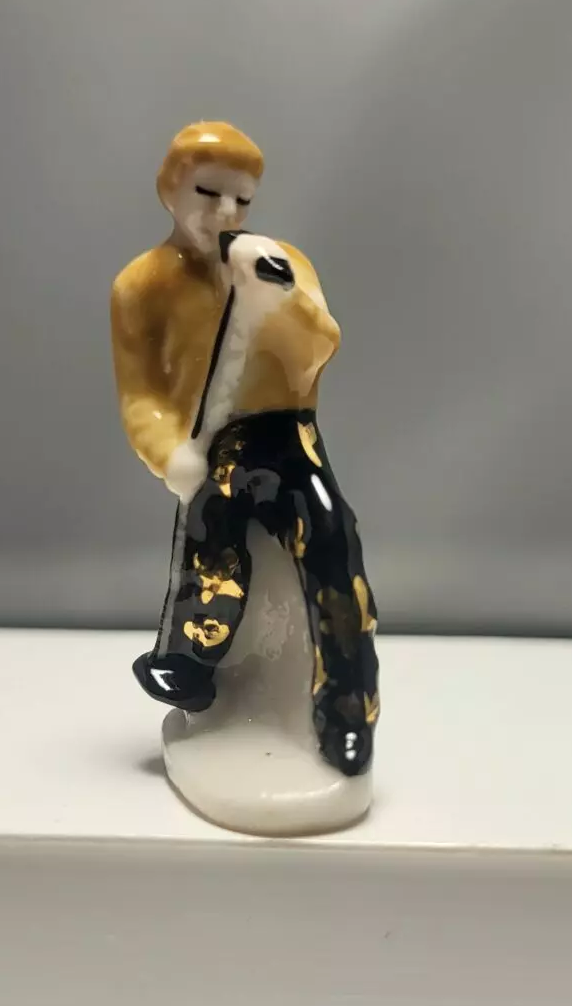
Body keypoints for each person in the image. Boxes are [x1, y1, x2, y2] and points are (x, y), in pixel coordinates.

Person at [111, 122, 378, 776]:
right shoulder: (141, 285)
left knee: (331, 537)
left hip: (288, 430)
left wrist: (280, 298)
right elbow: (141, 394)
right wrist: (169, 453)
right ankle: (188, 663)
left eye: (242, 199)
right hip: (213, 439)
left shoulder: (281, 261)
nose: (226, 213)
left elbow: (319, 348)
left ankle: (346, 710)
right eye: (208, 193)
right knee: (212, 524)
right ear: (170, 191)